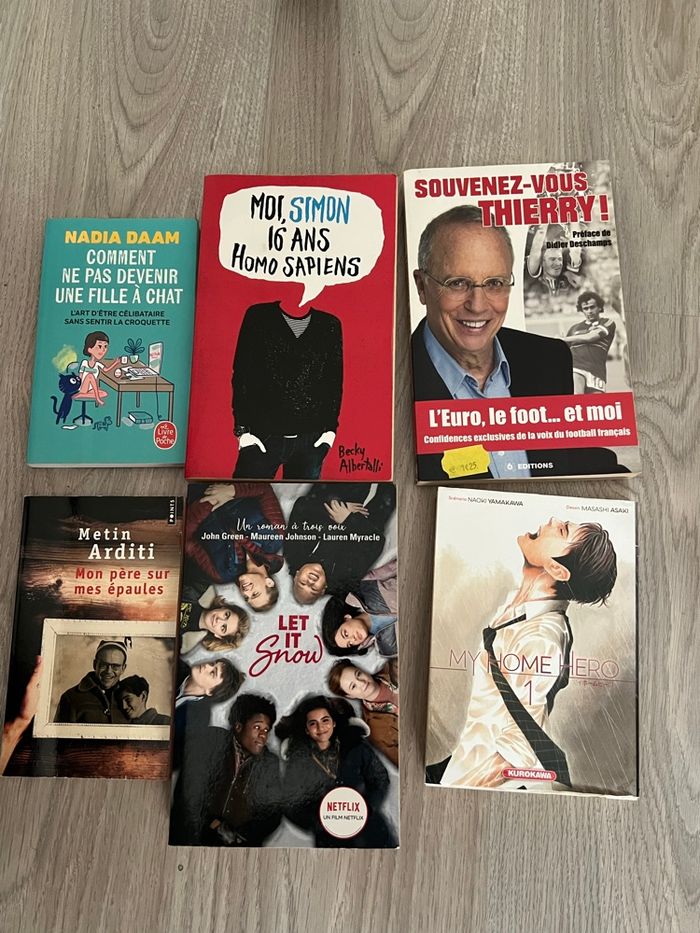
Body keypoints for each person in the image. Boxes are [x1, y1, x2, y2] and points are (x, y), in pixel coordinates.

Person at [410, 204, 624, 480]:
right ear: (422, 286)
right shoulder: (390, 388)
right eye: (457, 283)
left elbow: (575, 461)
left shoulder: (550, 360)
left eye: (494, 283)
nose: (478, 305)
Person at [426, 516, 617, 791]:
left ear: (557, 569)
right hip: (464, 762)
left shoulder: (542, 637)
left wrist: (457, 788)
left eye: (562, 530)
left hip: (482, 780)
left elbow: (520, 748)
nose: (552, 520)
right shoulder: (518, 607)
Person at [231, 300, 343, 479]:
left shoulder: (329, 324)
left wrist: (330, 432)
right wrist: (242, 432)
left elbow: (333, 380)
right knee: (242, 495)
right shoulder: (258, 316)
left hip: (310, 441)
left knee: (301, 499)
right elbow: (241, 374)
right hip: (262, 437)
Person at [276, 695, 397, 848]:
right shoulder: (298, 761)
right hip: (330, 840)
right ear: (307, 729)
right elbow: (289, 802)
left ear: (333, 723)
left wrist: (368, 807)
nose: (320, 728)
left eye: (325, 720)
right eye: (313, 723)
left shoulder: (355, 746)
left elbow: (379, 778)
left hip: (371, 831)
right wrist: (318, 822)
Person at [170, 694, 282, 846]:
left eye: (266, 729)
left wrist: (240, 835)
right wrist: (215, 826)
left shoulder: (269, 763)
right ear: (238, 726)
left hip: (238, 848)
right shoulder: (210, 742)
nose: (263, 735)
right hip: (192, 839)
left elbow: (273, 813)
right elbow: (188, 795)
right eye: (257, 727)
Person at [285, 483, 396, 605]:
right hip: (363, 524)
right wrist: (348, 518)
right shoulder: (345, 578)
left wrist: (338, 507)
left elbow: (301, 505)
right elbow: (376, 542)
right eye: (314, 589)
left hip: (333, 503)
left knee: (348, 483)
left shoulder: (293, 553)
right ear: (324, 589)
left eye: (302, 583)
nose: (310, 582)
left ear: (297, 575)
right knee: (389, 494)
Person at [182, 483, 284, 611]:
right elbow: (265, 490)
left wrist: (209, 503)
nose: (246, 592)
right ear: (269, 582)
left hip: (193, 490)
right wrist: (231, 491)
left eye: (246, 598)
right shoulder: (276, 538)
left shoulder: (221, 574)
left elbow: (186, 540)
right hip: (229, 480)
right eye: (255, 594)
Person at [328, 659, 399, 767]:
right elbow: (404, 762)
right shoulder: (376, 730)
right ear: (350, 696)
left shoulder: (392, 667)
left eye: (358, 674)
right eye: (353, 686)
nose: (361, 683)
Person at [55, 639, 129, 724]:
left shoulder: (132, 699)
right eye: (103, 665)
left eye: (115, 666)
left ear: (123, 668)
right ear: (94, 664)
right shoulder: (70, 698)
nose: (108, 671)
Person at [562, 291, 616, 394]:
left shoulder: (607, 322)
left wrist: (564, 339)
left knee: (596, 403)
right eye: (585, 309)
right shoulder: (574, 328)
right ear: (582, 310)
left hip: (597, 372)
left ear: (599, 307)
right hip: (577, 368)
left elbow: (590, 337)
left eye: (592, 307)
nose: (589, 311)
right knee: (577, 400)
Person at [321, 599, 398, 659]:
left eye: (346, 634)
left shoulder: (371, 594)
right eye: (350, 644)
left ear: (346, 618)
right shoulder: (387, 648)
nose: (353, 639)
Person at [180, 594, 250, 652]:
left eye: (223, 628)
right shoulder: (195, 590)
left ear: (218, 636)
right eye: (226, 615)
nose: (219, 620)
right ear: (223, 607)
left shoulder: (182, 642)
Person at [77, 331, 120, 405]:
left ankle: (81, 395)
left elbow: (106, 370)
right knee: (90, 376)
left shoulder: (98, 364)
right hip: (82, 387)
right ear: (89, 349)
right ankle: (97, 398)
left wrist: (116, 362)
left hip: (90, 389)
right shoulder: (84, 362)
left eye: (105, 347)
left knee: (104, 393)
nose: (103, 350)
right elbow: (80, 375)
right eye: (99, 346)